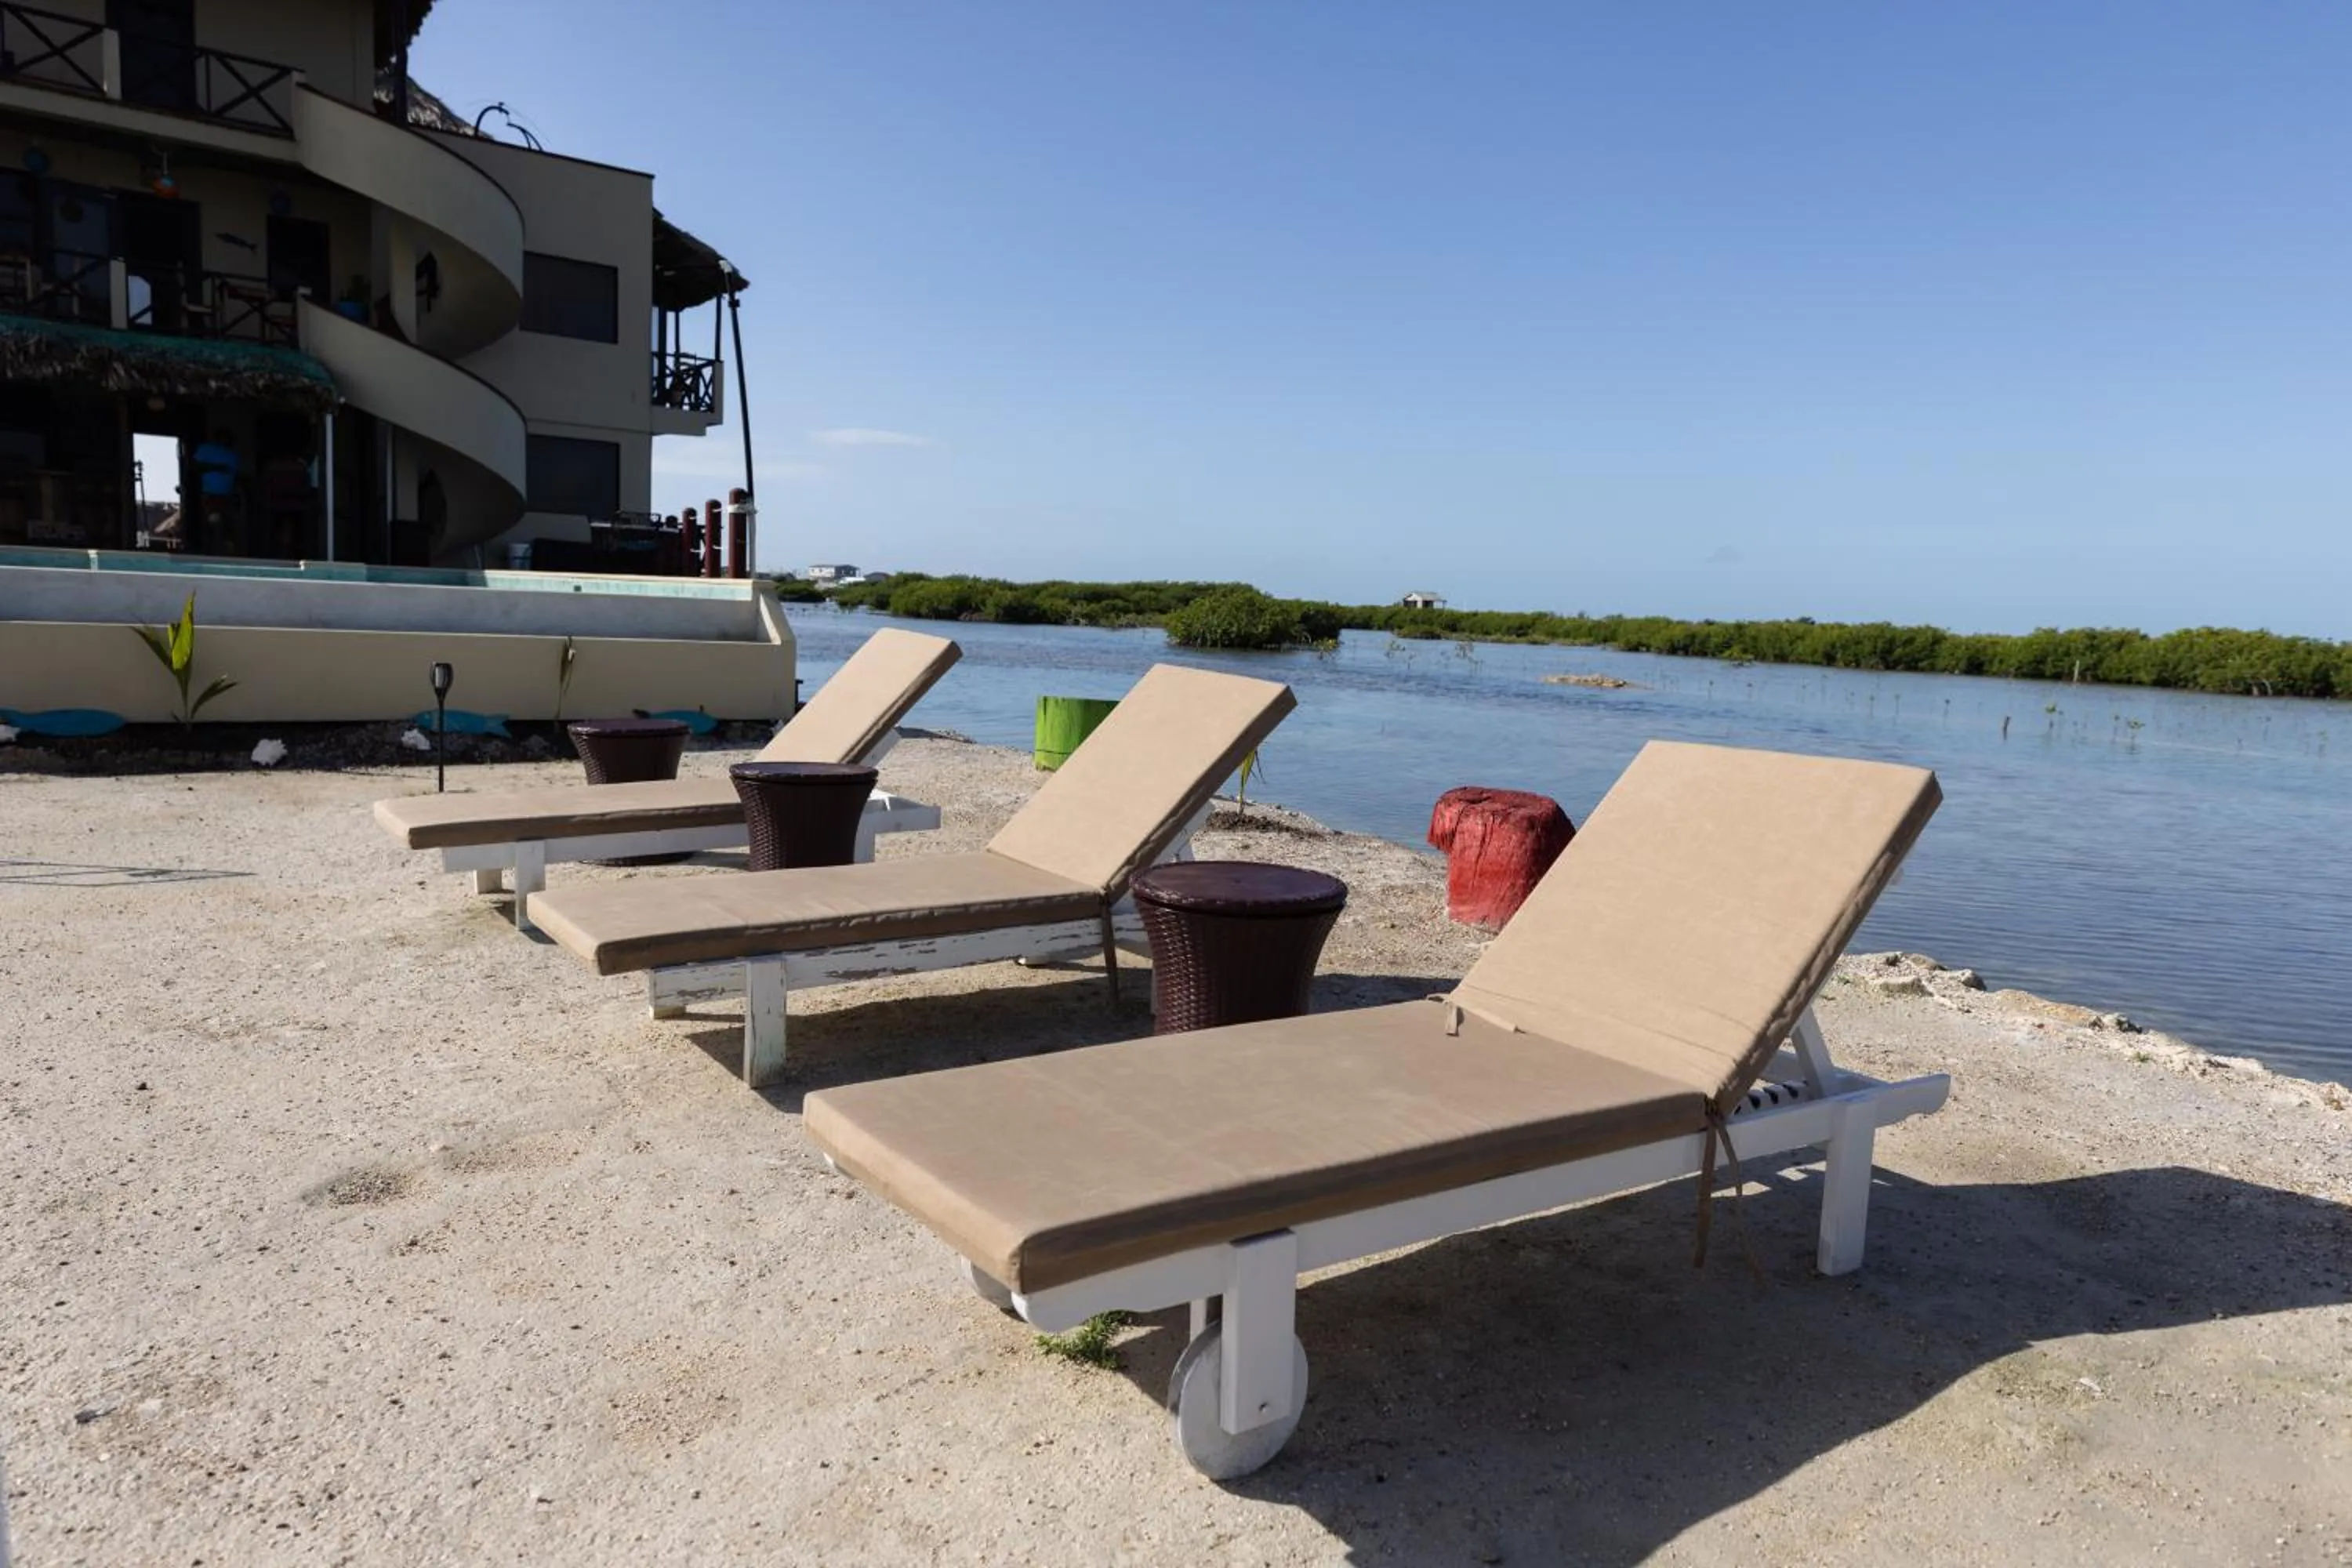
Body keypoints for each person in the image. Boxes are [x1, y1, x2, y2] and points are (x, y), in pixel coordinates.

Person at [191, 429, 239, 556]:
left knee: (228, 527)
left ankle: (228, 554)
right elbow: (195, 467)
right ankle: (208, 553)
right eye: (223, 437)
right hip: (210, 494)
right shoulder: (206, 449)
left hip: (227, 495)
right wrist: (217, 467)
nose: (226, 440)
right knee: (211, 524)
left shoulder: (232, 454)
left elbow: (235, 475)